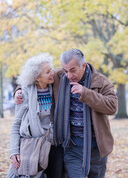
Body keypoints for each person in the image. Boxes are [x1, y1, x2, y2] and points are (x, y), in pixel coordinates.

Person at [15, 49, 118, 178]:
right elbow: (33, 79)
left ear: (83, 65)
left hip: (97, 147)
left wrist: (86, 93)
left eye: (72, 70)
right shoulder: (59, 76)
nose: (68, 75)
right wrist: (18, 91)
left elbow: (112, 106)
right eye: (65, 70)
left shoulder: (101, 81)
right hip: (71, 146)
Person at [7, 53, 64, 178]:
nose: (52, 73)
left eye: (51, 69)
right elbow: (16, 124)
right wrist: (14, 151)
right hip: (33, 146)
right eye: (47, 72)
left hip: (54, 145)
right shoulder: (25, 94)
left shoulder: (55, 86)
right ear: (37, 77)